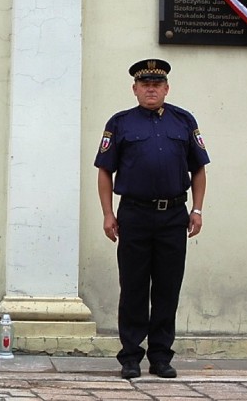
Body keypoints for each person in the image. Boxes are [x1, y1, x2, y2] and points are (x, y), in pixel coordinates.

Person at [94, 58, 209, 380]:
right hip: (134, 214)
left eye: (157, 84)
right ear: (135, 89)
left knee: (167, 288)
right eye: (145, 85)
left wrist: (197, 210)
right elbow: (105, 170)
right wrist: (107, 213)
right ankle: (131, 356)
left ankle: (160, 357)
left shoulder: (183, 121)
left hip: (174, 215)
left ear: (166, 88)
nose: (151, 89)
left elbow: (198, 168)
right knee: (132, 287)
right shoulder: (120, 123)